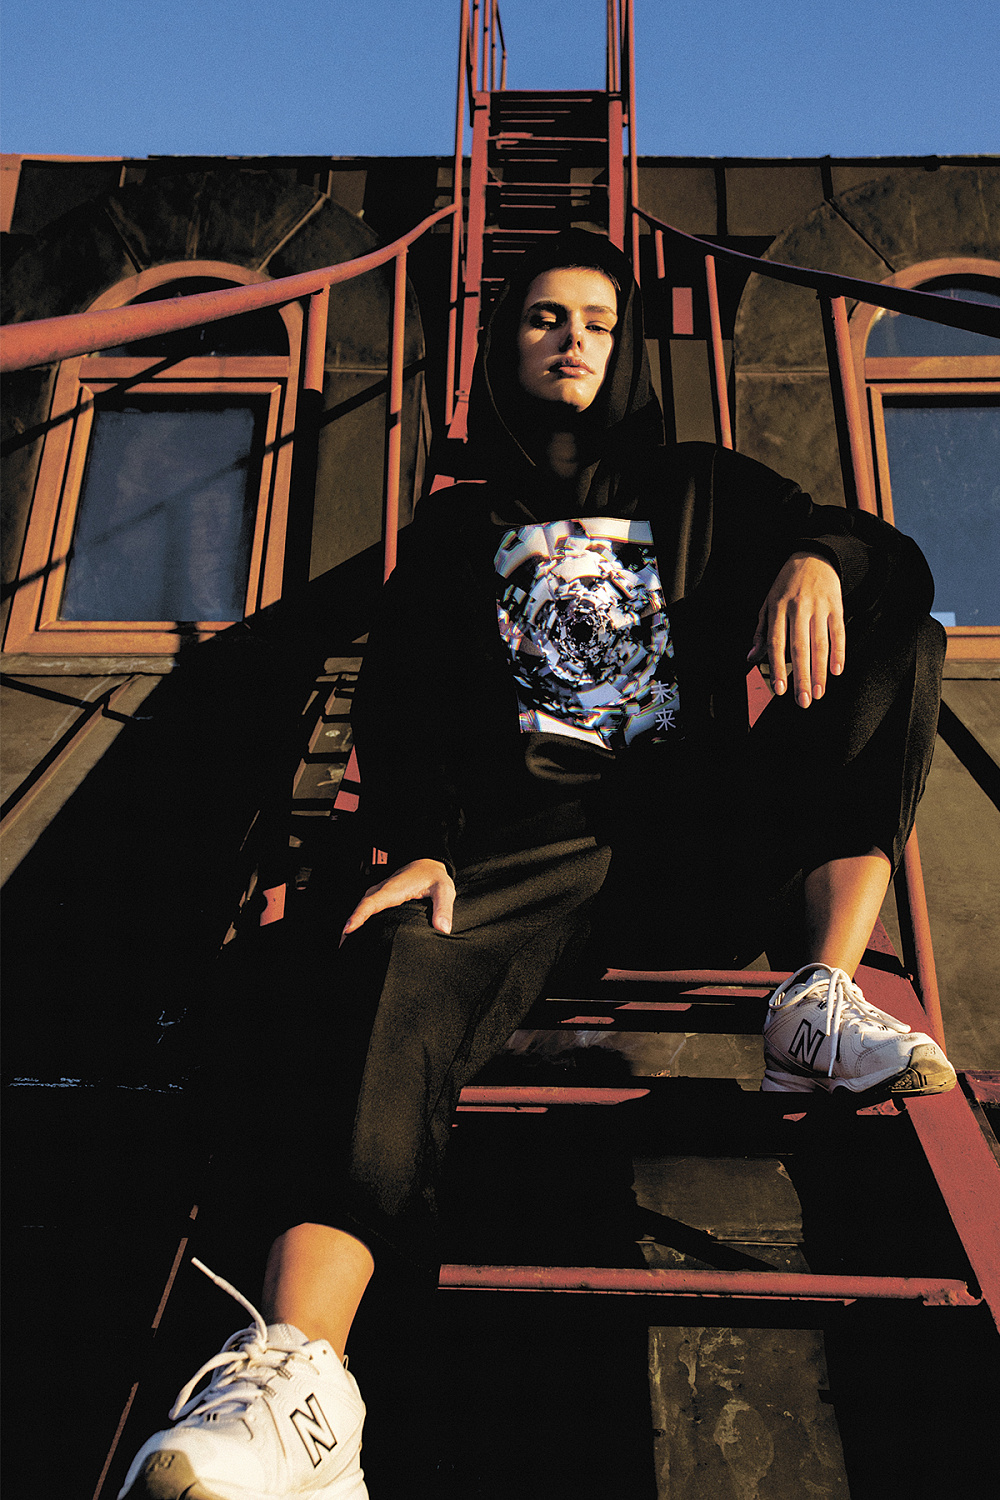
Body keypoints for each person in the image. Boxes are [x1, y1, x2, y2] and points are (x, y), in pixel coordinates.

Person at [119, 231, 956, 1500]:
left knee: (899, 620)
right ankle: (302, 1385)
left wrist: (818, 558)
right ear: (504, 344)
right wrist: (415, 844)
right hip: (524, 853)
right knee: (390, 954)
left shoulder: (702, 485)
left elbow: (880, 553)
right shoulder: (457, 530)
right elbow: (402, 706)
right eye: (544, 318)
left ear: (630, 351)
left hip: (695, 836)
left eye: (600, 322)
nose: (572, 340)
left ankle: (818, 995)